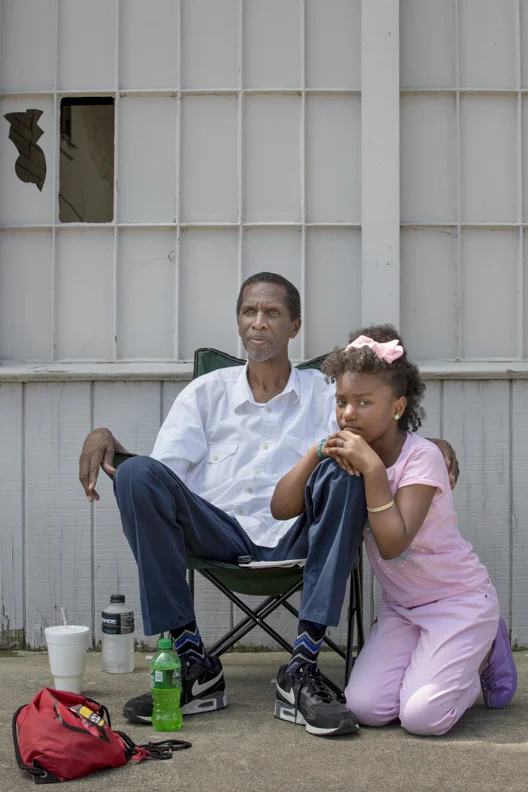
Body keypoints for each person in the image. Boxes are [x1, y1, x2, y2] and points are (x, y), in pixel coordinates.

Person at [79, 273, 459, 738]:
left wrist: (426, 444)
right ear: (238, 321)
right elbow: (162, 477)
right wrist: (110, 442)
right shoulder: (205, 393)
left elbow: (381, 434)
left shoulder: (329, 395)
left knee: (343, 471)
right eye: (249, 312)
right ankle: (193, 662)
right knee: (137, 475)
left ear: (295, 326)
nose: (259, 323)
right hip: (218, 533)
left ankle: (302, 666)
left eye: (272, 313)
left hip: (300, 534)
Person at [271, 325, 517, 737]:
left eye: (364, 403)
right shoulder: (346, 454)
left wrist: (371, 469)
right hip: (402, 610)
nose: (349, 414)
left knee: (422, 718)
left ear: (397, 407)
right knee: (365, 708)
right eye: (342, 402)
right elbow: (281, 507)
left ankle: (485, 645)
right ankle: (439, 665)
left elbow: (393, 545)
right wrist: (317, 452)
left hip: (457, 601)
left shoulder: (422, 459)